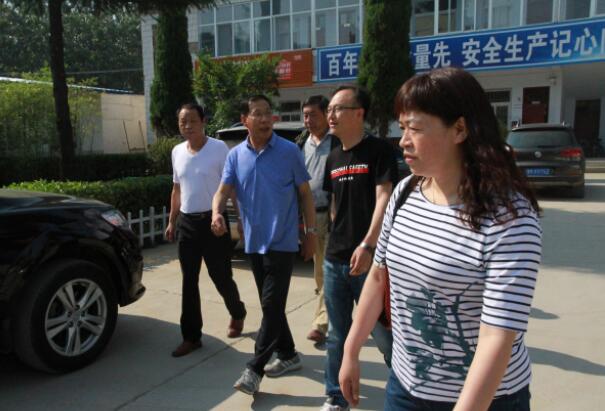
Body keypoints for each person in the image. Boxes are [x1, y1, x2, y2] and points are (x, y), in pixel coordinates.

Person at [339, 67, 542, 411]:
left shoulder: (509, 216)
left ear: (460, 129)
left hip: (488, 399)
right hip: (406, 388)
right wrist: (350, 350)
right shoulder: (405, 192)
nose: (403, 140)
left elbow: (497, 336)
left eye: (415, 128)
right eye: (402, 127)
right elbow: (378, 276)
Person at [211, 95, 317, 395]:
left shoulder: (289, 151)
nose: (265, 119)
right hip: (253, 242)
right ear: (244, 120)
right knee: (272, 306)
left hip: (283, 241)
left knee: (270, 305)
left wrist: (310, 233)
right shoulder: (235, 156)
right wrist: (216, 212)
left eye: (268, 113)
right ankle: (289, 353)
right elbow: (222, 191)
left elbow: (305, 194)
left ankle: (254, 369)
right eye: (257, 113)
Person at [321, 85, 399, 411]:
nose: (330, 115)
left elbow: (385, 197)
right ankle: (335, 395)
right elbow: (334, 206)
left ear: (359, 113)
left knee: (382, 333)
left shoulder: (378, 150)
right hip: (335, 260)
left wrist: (368, 244)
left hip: (372, 261)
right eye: (329, 109)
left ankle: (406, 388)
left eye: (337, 109)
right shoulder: (333, 157)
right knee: (336, 334)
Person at [165, 103, 247, 358]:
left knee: (220, 275)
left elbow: (231, 187)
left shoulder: (219, 148)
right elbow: (177, 189)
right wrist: (172, 220)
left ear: (203, 122)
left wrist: (240, 218)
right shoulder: (177, 151)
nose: (187, 126)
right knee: (189, 280)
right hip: (187, 224)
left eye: (192, 120)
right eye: (183, 121)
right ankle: (191, 337)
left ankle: (237, 311)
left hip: (214, 223)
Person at [296, 95, 339, 345]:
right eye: (305, 115)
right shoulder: (302, 143)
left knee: (329, 269)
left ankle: (321, 323)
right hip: (311, 216)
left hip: (333, 215)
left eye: (313, 114)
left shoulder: (337, 142)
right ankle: (335, 315)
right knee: (319, 272)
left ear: (326, 114)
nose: (308, 120)